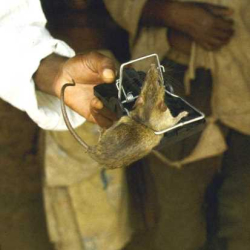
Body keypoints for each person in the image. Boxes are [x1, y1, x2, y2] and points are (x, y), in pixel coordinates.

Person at [104, 0, 250, 250]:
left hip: (242, 77)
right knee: (180, 211)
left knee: (242, 209)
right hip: (172, 77)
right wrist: (169, 13)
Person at [0, 1, 132, 250]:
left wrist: (49, 70)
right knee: (71, 209)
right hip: (64, 106)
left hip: (86, 92)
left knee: (107, 205)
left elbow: (7, 27)